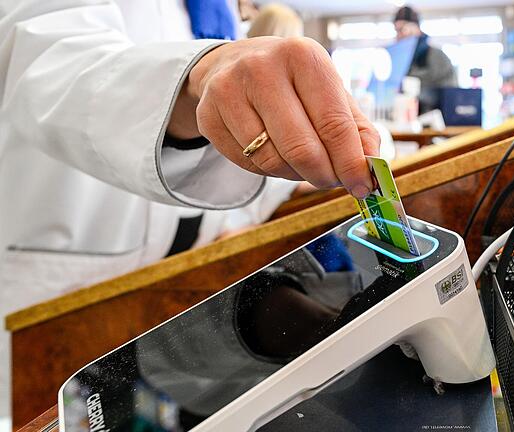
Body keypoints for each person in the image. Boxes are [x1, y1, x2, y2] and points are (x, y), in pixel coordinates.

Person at [0, 0, 379, 426]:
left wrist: (294, 167)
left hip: (185, 293)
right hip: (58, 309)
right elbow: (47, 56)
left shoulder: (218, 13)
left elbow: (219, 166)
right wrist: (201, 72)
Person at [393, 5, 457, 112]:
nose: (399, 35)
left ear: (417, 28)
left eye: (402, 29)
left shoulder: (437, 57)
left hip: (435, 120)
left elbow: (450, 93)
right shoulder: (399, 60)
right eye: (396, 30)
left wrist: (417, 95)